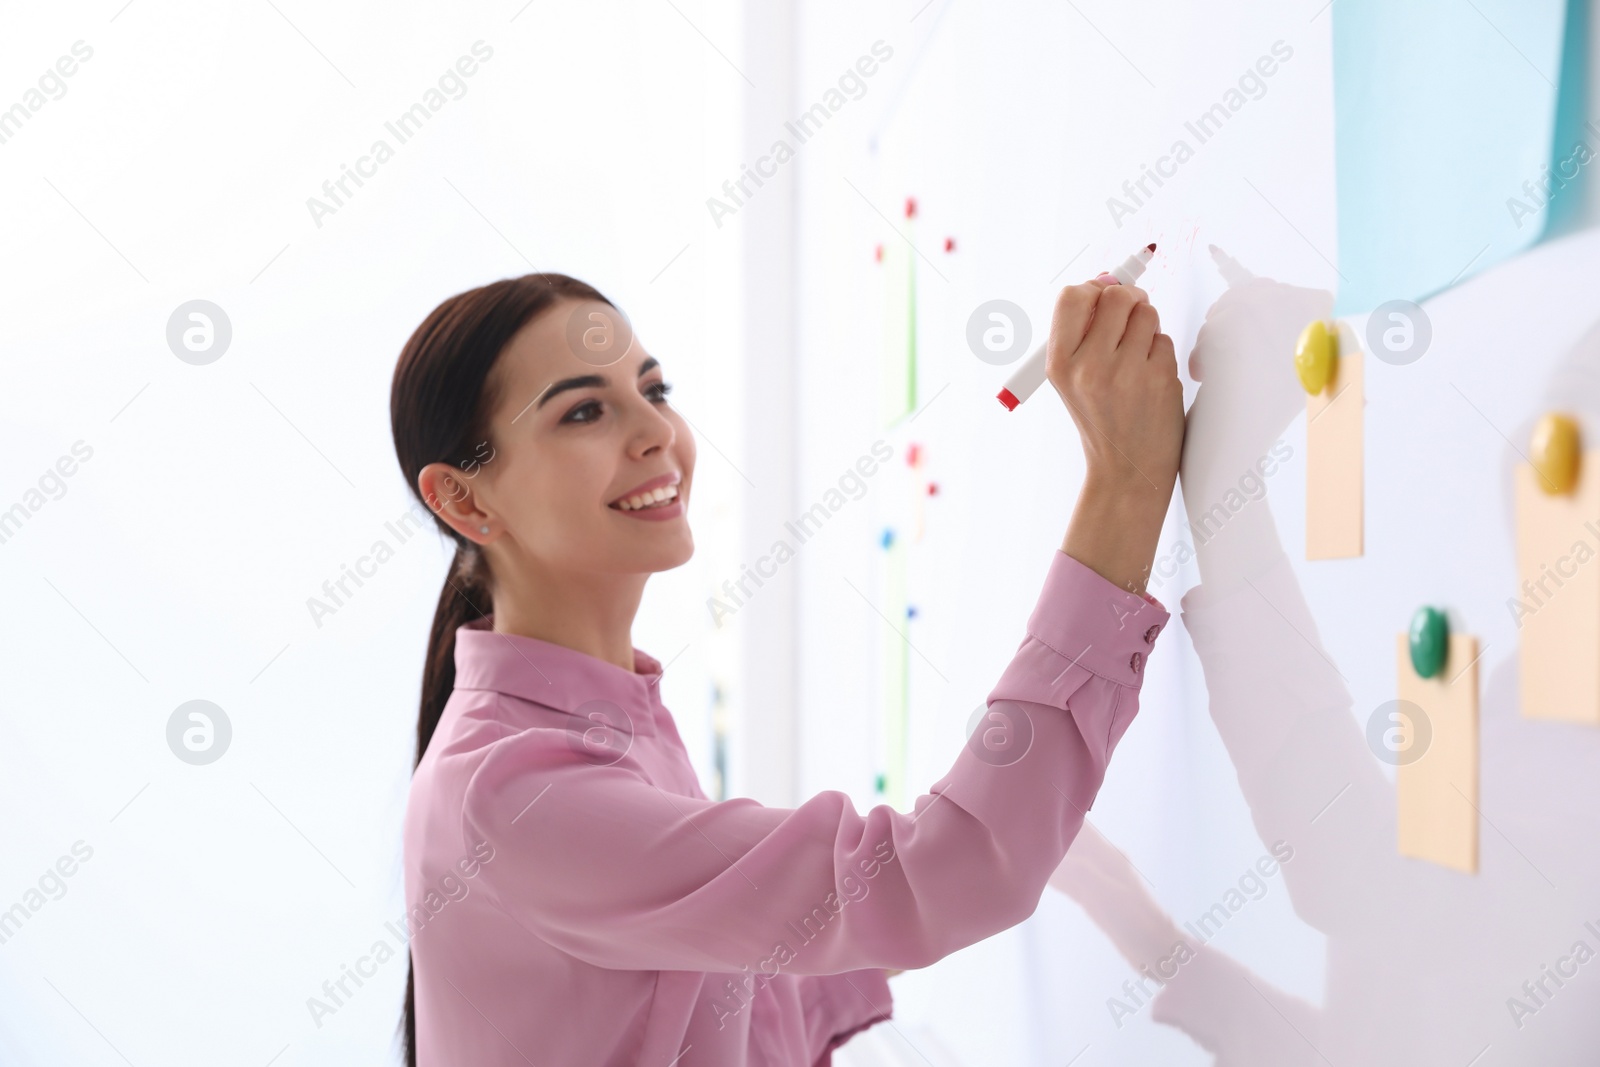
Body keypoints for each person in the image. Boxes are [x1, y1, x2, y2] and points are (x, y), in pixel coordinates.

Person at [389, 269, 1184, 1065]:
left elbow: (736, 981)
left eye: (655, 389)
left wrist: (1037, 841)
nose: (655, 432)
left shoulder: (597, 723)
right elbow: (937, 877)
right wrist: (1127, 484)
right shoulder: (518, 792)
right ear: (465, 502)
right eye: (584, 410)